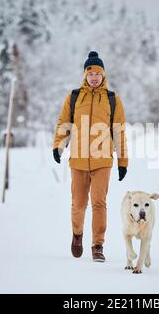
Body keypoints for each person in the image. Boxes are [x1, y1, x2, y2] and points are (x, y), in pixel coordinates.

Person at [52, 51, 128, 262]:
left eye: (98, 73)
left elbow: (119, 131)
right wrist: (58, 146)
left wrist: (122, 161)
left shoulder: (112, 99)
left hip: (102, 160)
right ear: (85, 75)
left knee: (99, 203)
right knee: (78, 204)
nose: (94, 77)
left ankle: (97, 245)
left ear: (104, 75)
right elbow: (64, 123)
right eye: (90, 73)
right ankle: (77, 235)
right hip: (78, 159)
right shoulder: (74, 97)